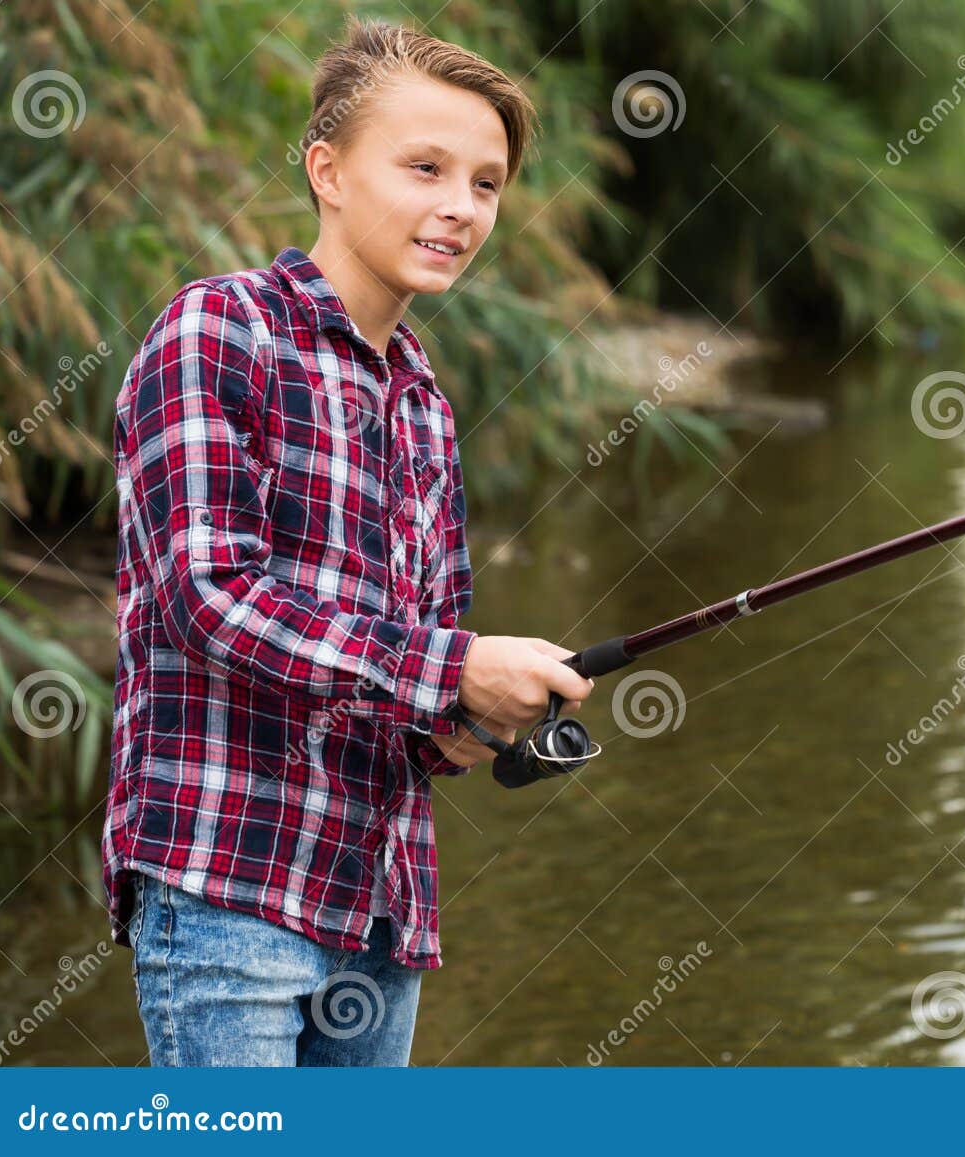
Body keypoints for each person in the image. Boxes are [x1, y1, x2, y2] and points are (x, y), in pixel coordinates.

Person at [100, 16, 592, 1066]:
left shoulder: (426, 407)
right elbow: (206, 595)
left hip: (381, 916)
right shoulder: (218, 330)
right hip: (229, 892)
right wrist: (451, 664)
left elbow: (404, 667)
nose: (460, 207)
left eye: (487, 183)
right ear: (327, 170)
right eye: (426, 168)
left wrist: (460, 717)